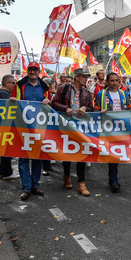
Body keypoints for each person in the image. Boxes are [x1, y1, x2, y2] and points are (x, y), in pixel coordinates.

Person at [11, 61, 51, 201]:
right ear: (27, 71)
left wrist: (47, 101)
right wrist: (11, 100)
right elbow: (13, 102)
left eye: (35, 70)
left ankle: (35, 185)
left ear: (39, 71)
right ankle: (26, 188)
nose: (33, 72)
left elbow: (49, 105)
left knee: (37, 157)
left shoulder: (45, 87)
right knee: (23, 158)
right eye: (30, 70)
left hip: (39, 127)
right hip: (23, 127)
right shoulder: (19, 85)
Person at [51, 68, 94, 196]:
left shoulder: (86, 92)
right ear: (76, 77)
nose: (86, 79)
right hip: (65, 126)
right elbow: (54, 103)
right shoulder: (63, 89)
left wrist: (85, 107)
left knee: (81, 153)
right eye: (84, 76)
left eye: (87, 77)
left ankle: (81, 183)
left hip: (81, 127)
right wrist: (66, 108)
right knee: (67, 152)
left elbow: (91, 108)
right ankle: (67, 176)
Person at [94, 72, 131, 193]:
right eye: (112, 80)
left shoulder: (123, 93)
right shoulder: (101, 94)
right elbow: (94, 111)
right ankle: (114, 180)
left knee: (118, 153)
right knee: (113, 154)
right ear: (107, 82)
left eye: (116, 80)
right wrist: (100, 112)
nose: (114, 83)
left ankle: (113, 178)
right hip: (107, 128)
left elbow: (128, 106)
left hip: (121, 128)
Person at [0, 74, 20, 180]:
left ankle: (2, 171)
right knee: (7, 149)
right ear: (6, 83)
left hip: (3, 125)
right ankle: (7, 172)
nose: (14, 85)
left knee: (5, 148)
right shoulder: (3, 93)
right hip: (5, 125)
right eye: (13, 83)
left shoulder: (2, 92)